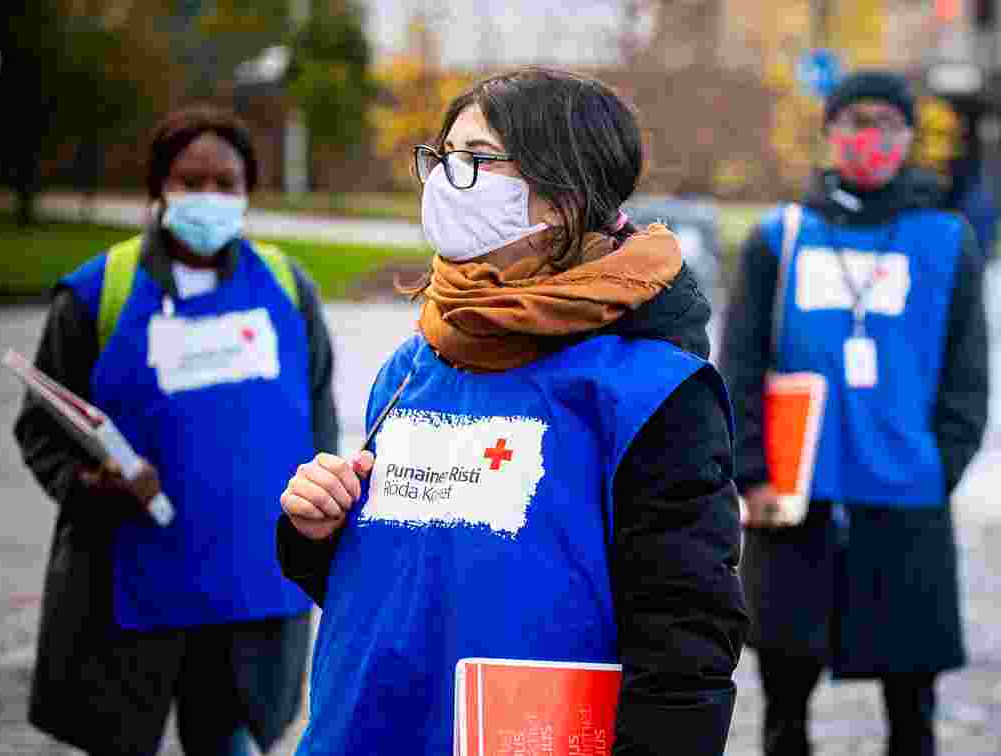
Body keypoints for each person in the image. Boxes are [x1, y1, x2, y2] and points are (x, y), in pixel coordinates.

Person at [275, 68, 748, 755]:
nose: (444, 181)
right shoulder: (413, 367)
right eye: (441, 158)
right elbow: (392, 583)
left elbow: (686, 645)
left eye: (474, 161)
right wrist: (313, 532)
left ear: (562, 196)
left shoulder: (653, 393)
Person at [13, 106, 338, 756]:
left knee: (232, 741)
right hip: (129, 596)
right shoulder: (97, 293)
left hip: (249, 596)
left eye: (227, 184)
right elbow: (41, 429)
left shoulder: (286, 288)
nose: (209, 198)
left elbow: (319, 426)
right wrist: (90, 484)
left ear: (248, 190)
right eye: (192, 182)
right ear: (159, 187)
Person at [719, 70, 989, 756]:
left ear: (908, 137)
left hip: (905, 503)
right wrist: (751, 472)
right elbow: (740, 367)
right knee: (783, 707)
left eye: (887, 123)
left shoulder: (947, 242)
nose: (869, 136)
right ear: (829, 133)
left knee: (912, 711)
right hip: (794, 501)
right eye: (854, 120)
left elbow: (968, 380)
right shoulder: (778, 239)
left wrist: (936, 468)